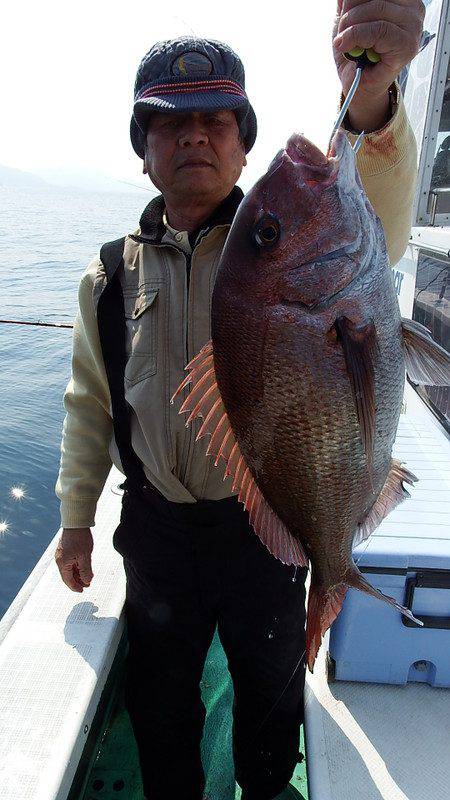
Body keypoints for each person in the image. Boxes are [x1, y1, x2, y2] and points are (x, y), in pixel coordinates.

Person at [54, 5, 423, 798]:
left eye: (218, 120)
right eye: (169, 123)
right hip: (155, 527)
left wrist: (374, 93)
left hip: (261, 528)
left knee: (267, 695)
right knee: (160, 699)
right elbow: (89, 404)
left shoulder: (282, 227)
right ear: (143, 154)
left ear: (243, 144)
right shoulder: (107, 278)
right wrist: (76, 517)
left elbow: (381, 206)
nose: (194, 135)